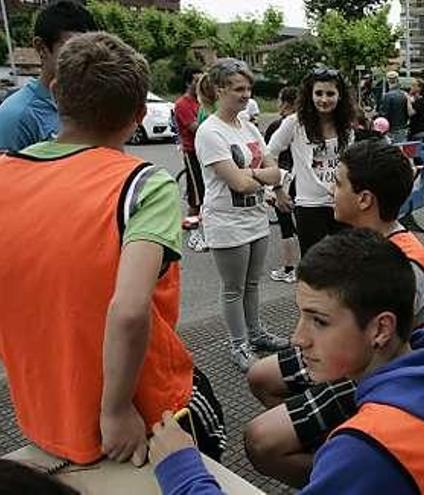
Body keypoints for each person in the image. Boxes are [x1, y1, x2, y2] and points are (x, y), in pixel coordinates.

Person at [150, 229, 424, 495]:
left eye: (320, 321)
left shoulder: (371, 447)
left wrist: (181, 468)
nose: (298, 337)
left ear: (381, 329)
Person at [0, 31, 226, 467]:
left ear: (56, 94)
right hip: (141, 410)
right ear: (140, 113)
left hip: (46, 408)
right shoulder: (142, 185)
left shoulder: (5, 174)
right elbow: (128, 308)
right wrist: (116, 409)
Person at [240, 140, 424, 487]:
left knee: (261, 441)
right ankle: (330, 439)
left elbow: (375, 352)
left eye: (338, 183)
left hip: (377, 371)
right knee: (260, 376)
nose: (329, 189)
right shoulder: (370, 241)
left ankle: (349, 471)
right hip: (357, 351)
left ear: (364, 199)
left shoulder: (402, 267)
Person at [195, 58, 289, 372]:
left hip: (255, 217)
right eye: (238, 88)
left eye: (248, 88)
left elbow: (270, 170)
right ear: (219, 89)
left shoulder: (246, 125)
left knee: (252, 284)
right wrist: (263, 176)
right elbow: (238, 181)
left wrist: (260, 176)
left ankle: (256, 333)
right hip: (226, 221)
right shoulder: (210, 132)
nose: (246, 94)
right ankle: (239, 346)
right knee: (233, 288)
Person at [267, 67, 354, 257]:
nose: (324, 99)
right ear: (310, 95)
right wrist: (277, 189)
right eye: (318, 93)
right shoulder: (295, 123)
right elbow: (269, 154)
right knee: (314, 268)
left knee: (344, 265)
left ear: (340, 96)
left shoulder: (346, 125)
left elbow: (350, 162)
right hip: (309, 206)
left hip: (342, 204)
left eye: (330, 93)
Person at [0, 1, 96, 153]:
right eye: (71, 48)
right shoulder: (16, 115)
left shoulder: (93, 106)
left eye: (89, 48)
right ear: (41, 47)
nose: (82, 57)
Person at [265, 86, 299, 284]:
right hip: (302, 179)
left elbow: (267, 155)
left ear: (285, 102)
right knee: (302, 222)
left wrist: (274, 187)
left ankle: (289, 268)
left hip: (282, 180)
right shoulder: (305, 126)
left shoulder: (277, 125)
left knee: (286, 224)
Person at [174, 66, 208, 251]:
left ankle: (188, 223)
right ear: (188, 83)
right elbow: (197, 129)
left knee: (207, 193)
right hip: (192, 153)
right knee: (197, 196)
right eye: (196, 81)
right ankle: (194, 236)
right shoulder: (182, 104)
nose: (200, 85)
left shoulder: (203, 103)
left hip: (206, 154)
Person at [379, 70, 409, 143]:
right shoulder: (404, 95)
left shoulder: (387, 96)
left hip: (391, 130)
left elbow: (384, 114)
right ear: (397, 80)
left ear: (388, 80)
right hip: (402, 128)